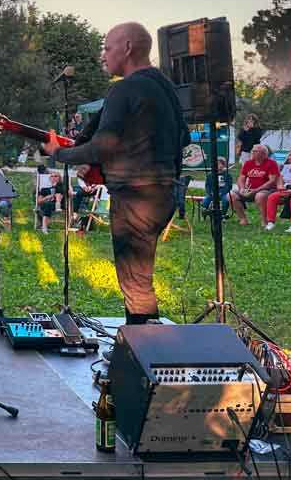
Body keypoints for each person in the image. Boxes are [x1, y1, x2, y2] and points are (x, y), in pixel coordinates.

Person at [43, 21, 187, 327]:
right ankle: (144, 346)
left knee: (135, 282)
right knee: (140, 277)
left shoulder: (125, 88)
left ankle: (140, 353)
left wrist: (59, 153)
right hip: (164, 194)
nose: (103, 56)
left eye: (107, 48)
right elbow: (182, 137)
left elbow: (102, 146)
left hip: (136, 198)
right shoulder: (164, 86)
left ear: (128, 48)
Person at [228, 143, 280, 227]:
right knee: (231, 195)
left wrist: (255, 190)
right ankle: (243, 219)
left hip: (267, 190)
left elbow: (272, 181)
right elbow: (241, 178)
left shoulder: (271, 163)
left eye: (254, 151)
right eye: (252, 151)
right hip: (250, 189)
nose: (252, 152)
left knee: (260, 196)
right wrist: (242, 188)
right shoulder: (248, 163)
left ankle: (264, 221)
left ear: (263, 153)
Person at [264, 147, 291, 233]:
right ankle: (270, 222)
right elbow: (280, 180)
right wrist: (280, 187)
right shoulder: (286, 167)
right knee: (272, 197)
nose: (290, 157)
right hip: (287, 189)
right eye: (289, 155)